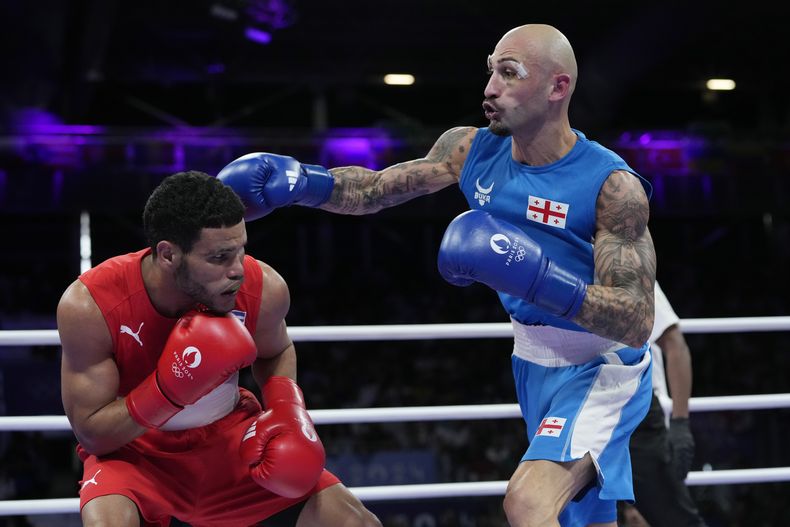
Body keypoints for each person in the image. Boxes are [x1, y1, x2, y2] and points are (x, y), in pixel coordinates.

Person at [218, 23, 656, 527]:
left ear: (559, 88)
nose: (490, 88)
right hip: (532, 361)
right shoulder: (472, 149)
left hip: (602, 364)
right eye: (491, 69)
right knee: (584, 518)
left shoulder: (612, 185)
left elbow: (636, 320)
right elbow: (377, 189)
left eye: (509, 74)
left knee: (529, 503)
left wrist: (537, 277)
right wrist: (300, 182)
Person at [57, 171, 381, 527]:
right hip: (135, 453)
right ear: (168, 255)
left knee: (357, 523)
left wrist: (287, 410)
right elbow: (93, 434)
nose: (237, 271)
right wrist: (167, 391)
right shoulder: (92, 305)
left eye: (241, 250)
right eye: (220, 257)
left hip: (228, 440)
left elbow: (276, 350)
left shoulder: (263, 287)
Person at [619, 282, 707, 527]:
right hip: (582, 406)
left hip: (638, 409)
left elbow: (674, 343)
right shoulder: (559, 261)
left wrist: (680, 423)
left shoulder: (627, 262)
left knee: (672, 517)